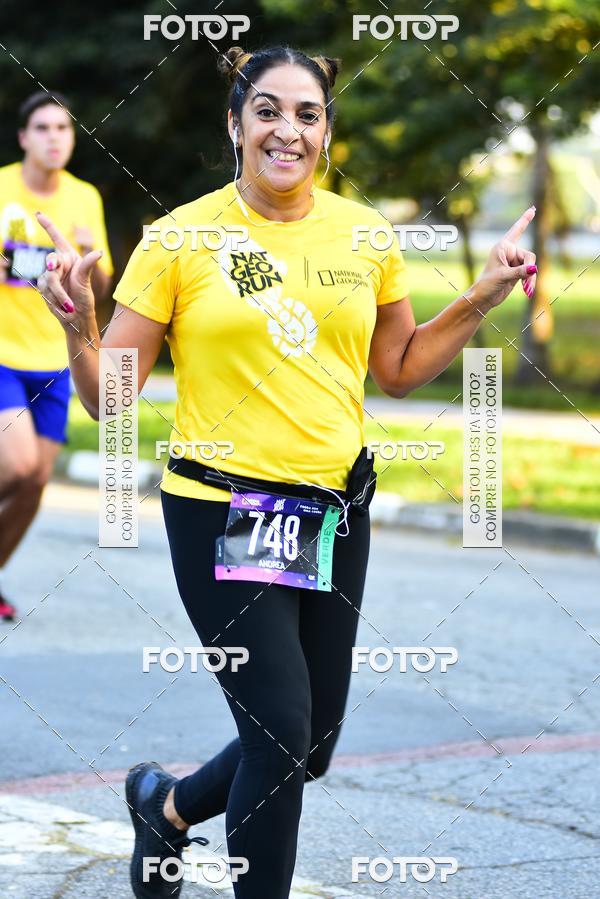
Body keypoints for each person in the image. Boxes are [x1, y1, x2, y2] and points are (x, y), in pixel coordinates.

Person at [36, 44, 537, 899]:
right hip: (222, 506)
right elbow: (108, 401)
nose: (288, 130)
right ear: (234, 124)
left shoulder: (364, 234)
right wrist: (80, 326)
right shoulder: (181, 238)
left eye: (308, 115)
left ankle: (165, 808)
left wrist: (482, 295)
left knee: (313, 737)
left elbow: (400, 366)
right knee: (280, 730)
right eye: (267, 110)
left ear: (326, 131)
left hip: (333, 507)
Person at [0, 91, 113, 621]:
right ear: (24, 137)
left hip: (56, 358)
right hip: (2, 352)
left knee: (36, 483)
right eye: (42, 128)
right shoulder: (1, 187)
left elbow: (103, 286)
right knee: (19, 464)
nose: (53, 138)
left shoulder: (84, 198)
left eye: (63, 129)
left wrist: (86, 262)